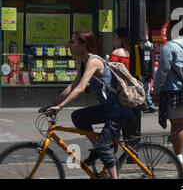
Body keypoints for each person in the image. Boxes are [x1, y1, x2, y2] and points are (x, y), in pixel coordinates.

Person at [40, 31, 134, 179]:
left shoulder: (93, 61)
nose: (70, 46)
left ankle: (110, 167)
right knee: (78, 116)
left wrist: (61, 107)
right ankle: (99, 148)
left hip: (118, 110)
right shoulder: (84, 62)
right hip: (108, 108)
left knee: (104, 146)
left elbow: (80, 87)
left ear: (84, 45)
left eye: (73, 43)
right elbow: (72, 86)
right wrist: (53, 104)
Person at [153, 20, 183, 164]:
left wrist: (157, 89)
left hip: (175, 89)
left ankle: (177, 156)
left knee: (177, 124)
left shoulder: (169, 47)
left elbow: (163, 71)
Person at [108, 28, 142, 145]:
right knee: (129, 127)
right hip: (132, 92)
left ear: (120, 39)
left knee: (114, 126)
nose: (113, 39)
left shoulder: (116, 54)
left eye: (114, 37)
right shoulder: (132, 52)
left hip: (119, 92)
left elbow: (111, 75)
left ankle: (113, 149)